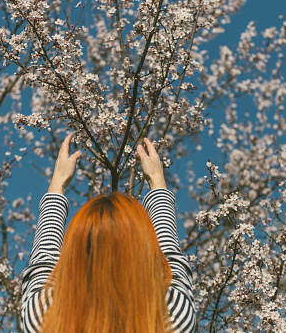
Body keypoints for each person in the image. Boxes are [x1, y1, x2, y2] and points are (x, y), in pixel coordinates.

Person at [21, 134, 196, 332]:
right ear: (142, 246)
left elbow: (42, 263)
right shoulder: (172, 315)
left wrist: (58, 182)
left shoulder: (44, 316)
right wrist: (156, 179)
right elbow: (171, 258)